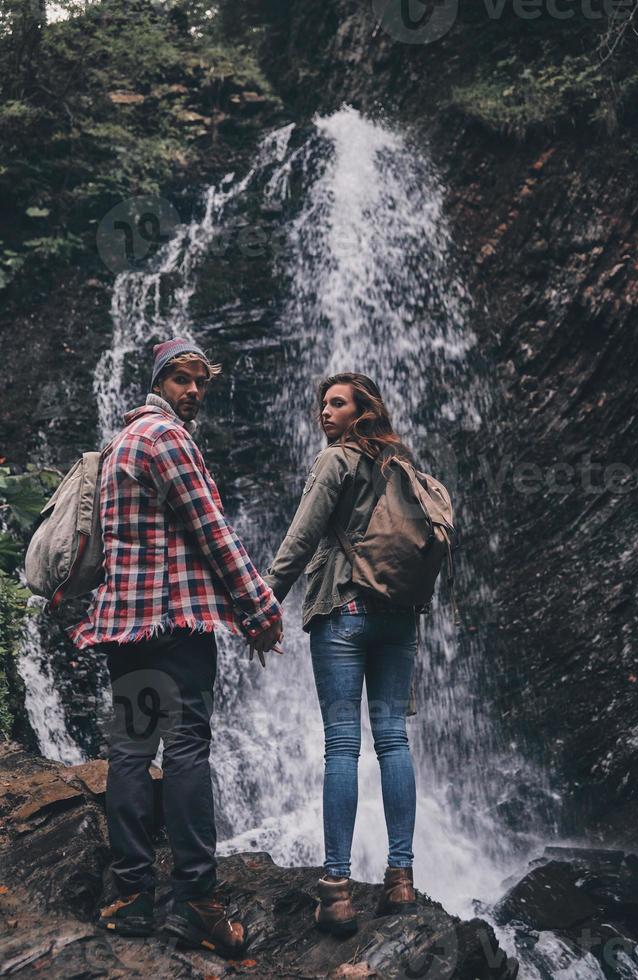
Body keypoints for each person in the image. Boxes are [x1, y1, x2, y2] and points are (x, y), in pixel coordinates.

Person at [67, 337, 283, 956]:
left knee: (132, 749)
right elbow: (212, 530)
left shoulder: (120, 442)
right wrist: (260, 609)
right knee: (187, 747)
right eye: (183, 379)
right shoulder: (168, 438)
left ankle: (132, 895)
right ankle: (196, 900)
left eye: (201, 383)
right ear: (159, 380)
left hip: (125, 628)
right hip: (175, 627)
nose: (193, 392)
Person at [265, 372, 419, 938]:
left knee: (343, 745)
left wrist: (264, 603)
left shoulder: (336, 461)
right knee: (395, 740)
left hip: (345, 612)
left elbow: (301, 538)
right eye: (322, 403)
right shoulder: (402, 466)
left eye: (337, 403)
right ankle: (400, 878)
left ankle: (336, 891)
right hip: (398, 620)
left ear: (361, 411)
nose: (324, 412)